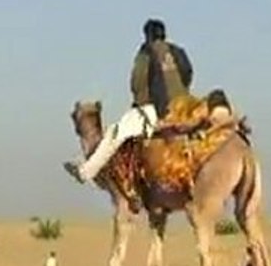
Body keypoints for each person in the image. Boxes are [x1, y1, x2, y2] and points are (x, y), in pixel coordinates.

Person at [63, 18, 194, 185]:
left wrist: (140, 104)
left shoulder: (146, 52)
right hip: (186, 108)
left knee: (114, 133)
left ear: (147, 36)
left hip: (157, 111)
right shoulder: (178, 52)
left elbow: (137, 83)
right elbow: (188, 74)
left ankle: (86, 172)